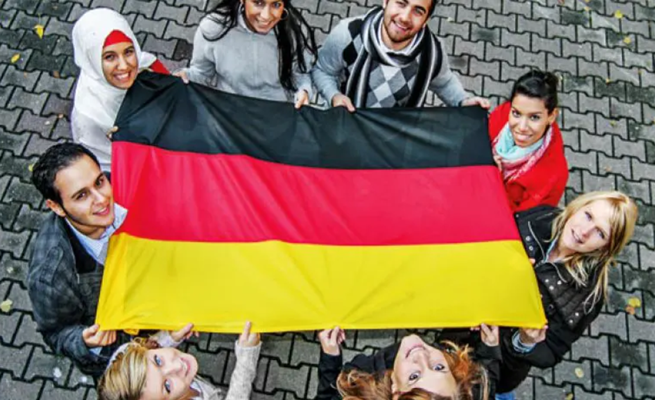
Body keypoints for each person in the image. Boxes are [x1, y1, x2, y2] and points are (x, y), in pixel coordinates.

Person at [496, 191, 638, 399]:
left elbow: (552, 351)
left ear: (606, 248)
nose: (584, 231)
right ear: (578, 206)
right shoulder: (541, 217)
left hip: (499, 369)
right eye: (588, 216)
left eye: (600, 233)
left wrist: (525, 342)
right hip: (464, 326)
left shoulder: (589, 296)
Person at [27, 143, 127, 377]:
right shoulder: (50, 278)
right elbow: (56, 334)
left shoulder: (124, 186)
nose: (102, 199)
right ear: (56, 207)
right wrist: (84, 341)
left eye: (99, 182)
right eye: (82, 195)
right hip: (121, 358)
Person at [311, 0, 489, 111]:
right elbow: (322, 71)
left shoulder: (431, 53)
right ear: (386, 2)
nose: (404, 17)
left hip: (392, 143)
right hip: (343, 128)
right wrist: (333, 95)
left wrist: (463, 101)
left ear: (426, 20)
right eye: (401, 3)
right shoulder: (348, 34)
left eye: (418, 11)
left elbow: (444, 83)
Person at [71, 8, 170, 171]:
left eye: (128, 51)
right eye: (110, 57)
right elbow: (104, 168)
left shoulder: (147, 65)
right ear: (92, 59)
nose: (124, 66)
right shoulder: (88, 116)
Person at [176, 0, 317, 107]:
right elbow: (202, 73)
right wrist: (186, 76)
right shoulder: (213, 28)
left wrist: (304, 91)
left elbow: (300, 73)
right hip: (230, 114)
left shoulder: (294, 32)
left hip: (276, 114)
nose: (266, 16)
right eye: (258, 3)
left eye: (275, 5)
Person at [316, 326, 500, 400]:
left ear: (395, 391)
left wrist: (330, 356)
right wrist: (490, 348)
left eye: (414, 377)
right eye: (439, 368)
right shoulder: (471, 392)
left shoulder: (357, 381)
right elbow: (486, 385)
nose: (421, 356)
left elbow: (327, 397)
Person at [98, 321, 262, 400]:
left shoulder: (125, 359)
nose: (177, 365)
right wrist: (246, 358)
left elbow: (144, 348)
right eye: (167, 386)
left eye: (158, 361)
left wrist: (171, 337)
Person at [488, 70, 568, 212]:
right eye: (516, 113)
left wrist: (494, 177)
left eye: (534, 117)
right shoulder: (502, 114)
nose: (522, 127)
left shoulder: (554, 176)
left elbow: (524, 219)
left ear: (551, 116)